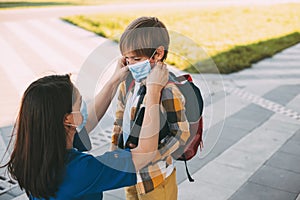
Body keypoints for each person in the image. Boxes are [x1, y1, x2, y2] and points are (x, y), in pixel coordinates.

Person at [1, 60, 168, 199]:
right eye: (79, 103)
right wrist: (154, 91)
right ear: (68, 119)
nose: (84, 107)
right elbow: (144, 153)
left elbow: (85, 124)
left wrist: (114, 81)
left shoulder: (34, 155)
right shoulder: (81, 170)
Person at [111, 16, 190, 200]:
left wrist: (152, 156)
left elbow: (181, 133)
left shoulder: (168, 90)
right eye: (127, 59)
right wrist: (115, 153)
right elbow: (119, 120)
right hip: (130, 175)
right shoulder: (127, 82)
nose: (130, 65)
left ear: (158, 54)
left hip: (156, 177)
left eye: (136, 59)